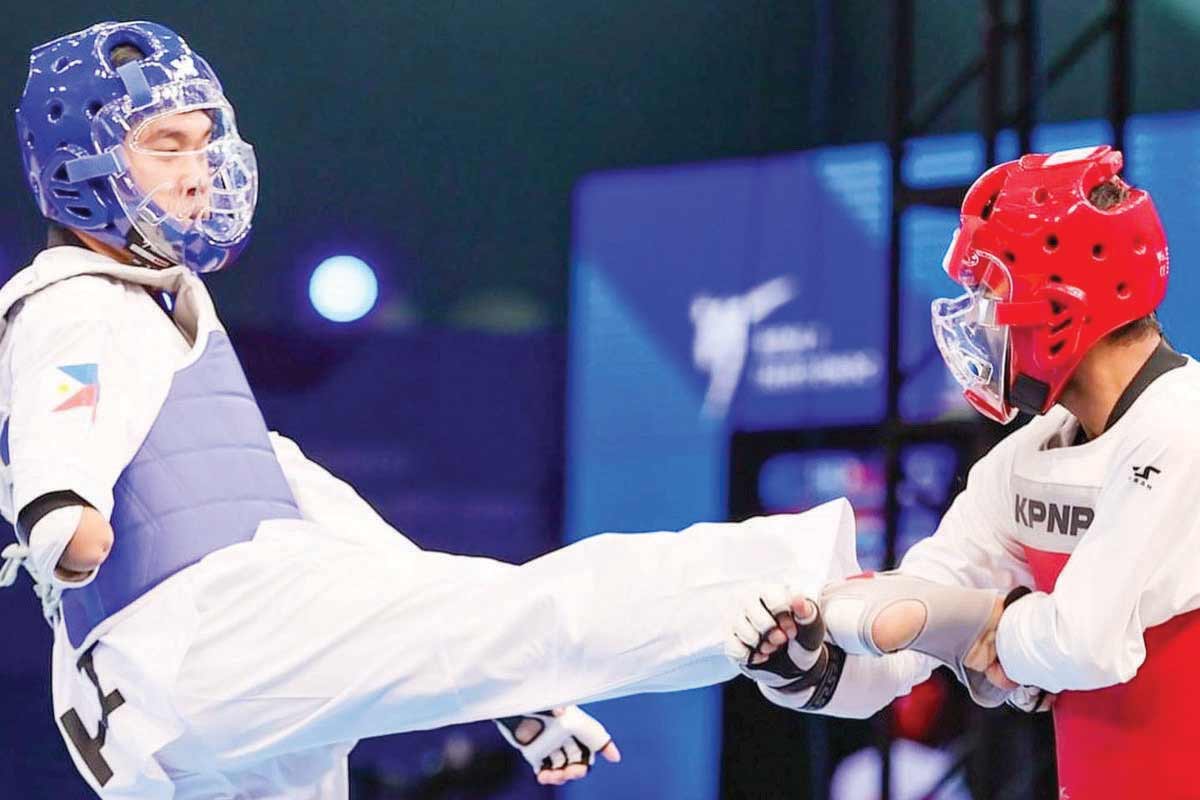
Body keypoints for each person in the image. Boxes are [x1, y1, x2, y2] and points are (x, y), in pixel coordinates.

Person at [0, 20, 870, 799]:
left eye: (202, 142)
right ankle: (793, 579)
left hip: (183, 696)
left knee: (476, 617)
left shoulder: (162, 309)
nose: (196, 174)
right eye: (165, 145)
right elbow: (60, 426)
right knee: (532, 613)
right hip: (194, 645)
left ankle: (765, 592)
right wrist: (60, 510)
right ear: (83, 170)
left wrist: (510, 702)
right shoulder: (74, 299)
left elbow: (321, 519)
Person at [729, 145, 1200, 799]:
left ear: (1062, 303)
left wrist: (981, 622)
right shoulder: (1025, 458)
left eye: (990, 290)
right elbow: (917, 615)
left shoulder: (1184, 430)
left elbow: (1086, 641)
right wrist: (806, 656)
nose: (976, 317)